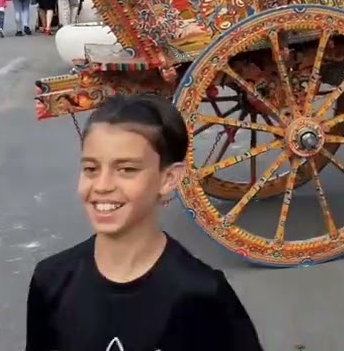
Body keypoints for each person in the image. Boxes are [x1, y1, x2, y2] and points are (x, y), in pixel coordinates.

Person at [25, 94, 263, 351]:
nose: (102, 186)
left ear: (169, 178)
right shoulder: (51, 280)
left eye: (127, 169)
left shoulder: (202, 294)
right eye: (91, 169)